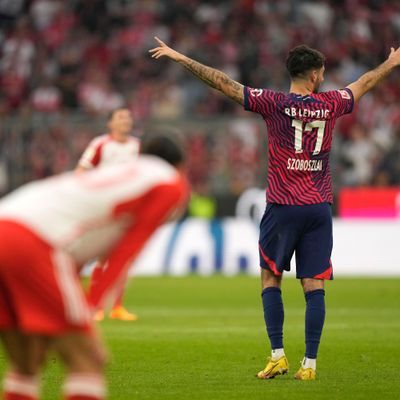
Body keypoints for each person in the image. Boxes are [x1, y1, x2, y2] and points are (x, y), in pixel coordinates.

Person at [149, 37, 400, 380]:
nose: (324, 78)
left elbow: (222, 83)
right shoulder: (331, 103)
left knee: (270, 277)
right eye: (322, 73)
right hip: (318, 208)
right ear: (314, 76)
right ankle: (309, 365)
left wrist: (180, 57)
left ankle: (278, 356)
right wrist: (391, 63)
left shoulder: (273, 102)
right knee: (314, 285)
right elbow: (366, 81)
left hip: (282, 206)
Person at [0, 135, 188, 400]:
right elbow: (126, 252)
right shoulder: (169, 183)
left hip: (7, 219)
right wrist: (91, 306)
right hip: (31, 241)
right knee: (88, 358)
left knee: (26, 362)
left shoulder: (119, 174)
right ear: (181, 166)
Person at [76, 107, 141, 322]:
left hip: (129, 209)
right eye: (121, 117)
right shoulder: (100, 144)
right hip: (104, 207)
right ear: (110, 123)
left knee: (123, 257)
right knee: (104, 256)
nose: (126, 120)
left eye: (128, 116)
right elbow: (81, 171)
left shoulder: (136, 147)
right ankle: (94, 306)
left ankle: (117, 308)